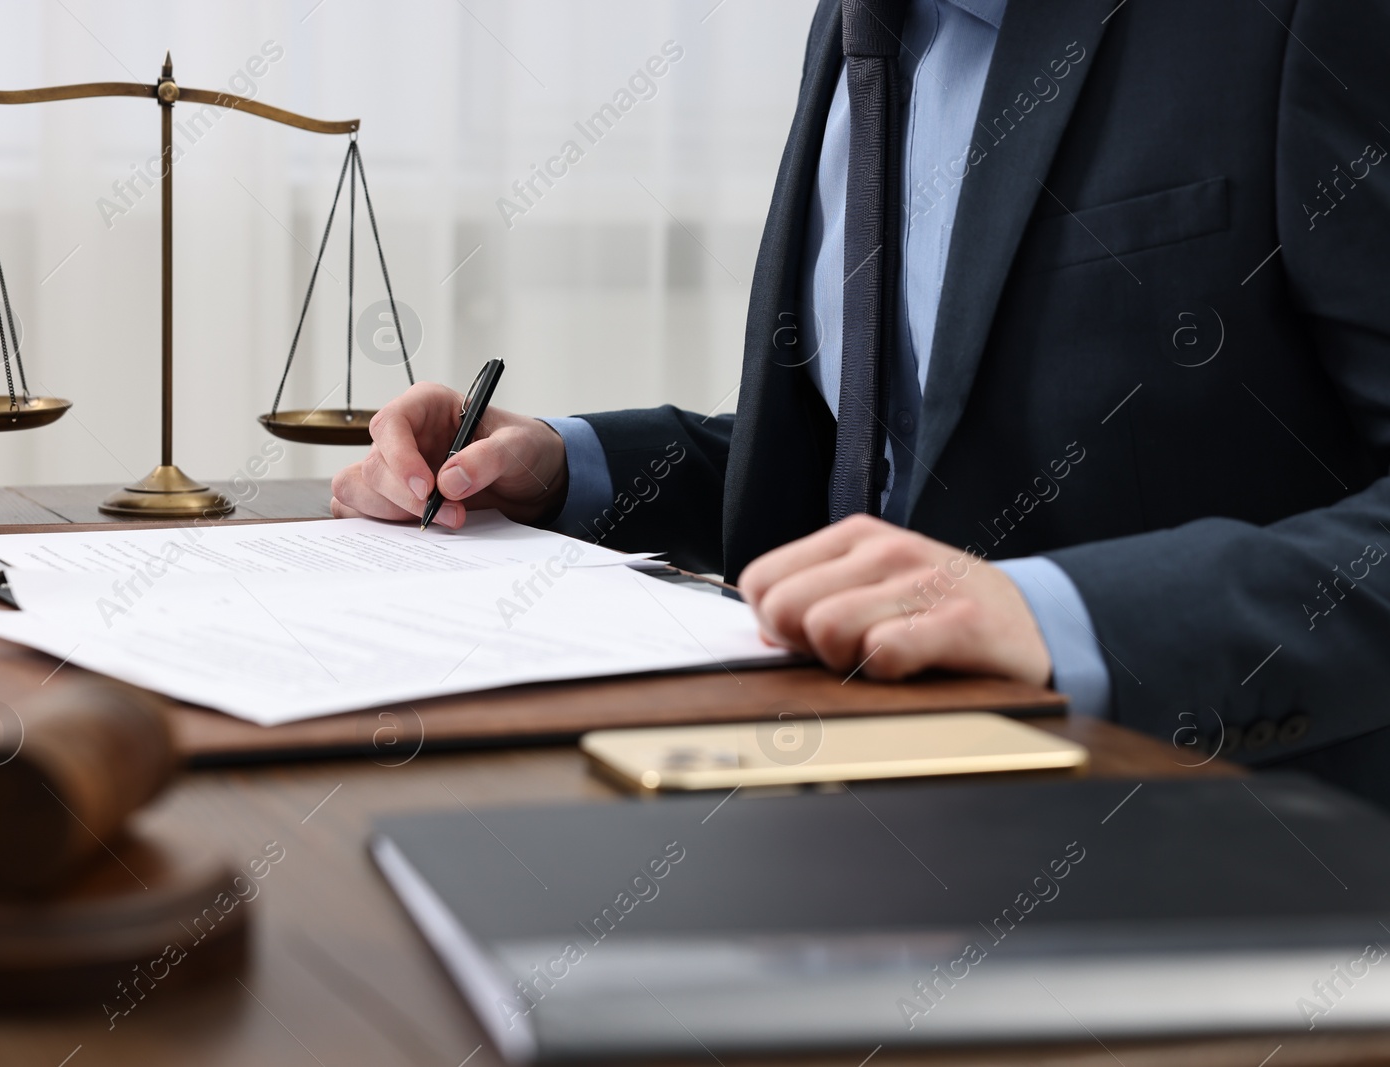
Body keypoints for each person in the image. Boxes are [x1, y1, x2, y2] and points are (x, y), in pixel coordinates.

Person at [333, 0, 1390, 803]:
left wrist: (1064, 617)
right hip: (869, 802)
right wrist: (565, 465)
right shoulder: (858, 35)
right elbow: (885, 469)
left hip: (1213, 832)